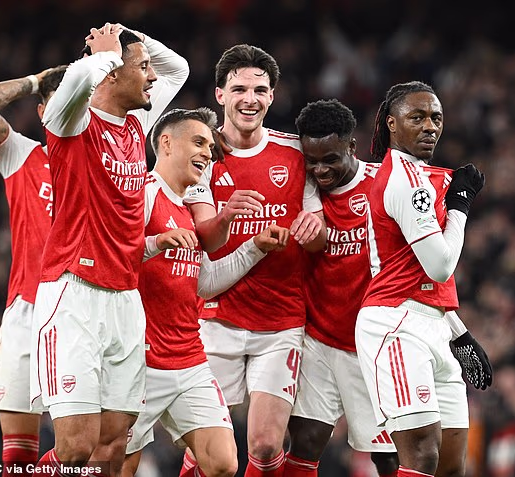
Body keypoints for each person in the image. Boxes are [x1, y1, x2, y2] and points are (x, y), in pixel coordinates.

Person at [284, 99, 492, 477]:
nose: (320, 170)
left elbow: (423, 272)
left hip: (373, 343)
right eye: (311, 161)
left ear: (351, 147)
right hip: (320, 338)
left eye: (329, 159)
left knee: (392, 457)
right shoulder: (302, 191)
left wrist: (456, 330)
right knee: (304, 442)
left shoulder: (384, 186)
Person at [30, 23, 189, 476]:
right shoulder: (71, 122)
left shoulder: (136, 123)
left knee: (114, 443)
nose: (153, 76)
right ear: (113, 74)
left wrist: (127, 34)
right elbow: (74, 86)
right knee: (75, 449)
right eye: (143, 68)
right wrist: (103, 55)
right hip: (73, 294)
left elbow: (179, 69)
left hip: (125, 297)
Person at [122, 107, 292, 477]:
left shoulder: (188, 210)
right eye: (198, 142)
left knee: (223, 463)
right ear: (166, 143)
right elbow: (113, 259)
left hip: (189, 359)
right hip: (139, 363)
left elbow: (204, 283)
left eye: (210, 147)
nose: (207, 153)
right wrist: (155, 242)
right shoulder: (144, 194)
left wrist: (255, 248)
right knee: (119, 465)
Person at [185, 44, 325, 477]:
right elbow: (205, 238)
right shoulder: (201, 155)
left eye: (260, 90)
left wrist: (314, 230)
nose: (250, 99)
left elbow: (320, 235)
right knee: (208, 454)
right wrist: (233, 220)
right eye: (239, 89)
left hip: (280, 323)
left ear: (272, 97)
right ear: (220, 95)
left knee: (265, 446)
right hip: (216, 319)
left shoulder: (296, 154)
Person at [355, 81, 486, 477]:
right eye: (417, 117)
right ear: (391, 124)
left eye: (436, 118)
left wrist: (458, 331)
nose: (430, 126)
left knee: (451, 464)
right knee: (422, 455)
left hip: (435, 324)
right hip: (397, 325)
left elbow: (421, 277)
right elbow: (440, 266)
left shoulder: (420, 177)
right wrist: (461, 206)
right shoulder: (405, 180)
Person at [0, 64, 66, 476]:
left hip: (79, 314)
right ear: (43, 112)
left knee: (86, 451)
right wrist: (35, 83)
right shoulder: (23, 155)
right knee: (17, 457)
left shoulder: (106, 167)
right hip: (26, 310)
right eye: (59, 102)